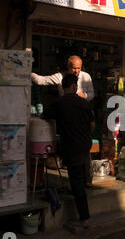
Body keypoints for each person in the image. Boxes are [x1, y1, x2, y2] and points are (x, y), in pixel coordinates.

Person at [32, 55, 95, 188]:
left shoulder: (86, 77)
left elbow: (92, 94)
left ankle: (86, 181)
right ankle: (76, 186)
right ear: (68, 67)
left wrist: (85, 96)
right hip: (67, 114)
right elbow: (40, 80)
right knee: (73, 152)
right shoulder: (60, 77)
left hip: (82, 113)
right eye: (74, 68)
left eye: (78, 68)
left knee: (83, 153)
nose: (76, 71)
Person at [43, 74, 95, 228]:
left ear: (63, 87)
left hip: (70, 146)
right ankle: (82, 195)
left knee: (76, 181)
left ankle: (84, 218)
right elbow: (92, 125)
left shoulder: (57, 103)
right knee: (80, 176)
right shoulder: (84, 103)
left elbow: (45, 117)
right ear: (74, 87)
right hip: (85, 145)